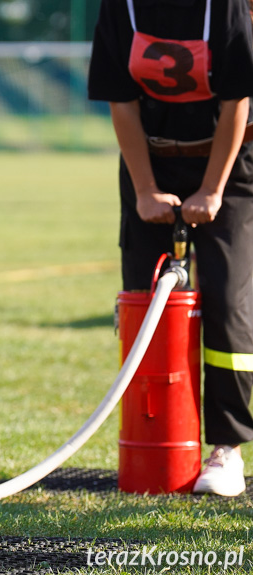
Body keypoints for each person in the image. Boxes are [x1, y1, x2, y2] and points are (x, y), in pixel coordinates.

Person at [88, 0, 253, 497]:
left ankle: (228, 447)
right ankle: (154, 439)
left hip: (229, 165)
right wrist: (143, 189)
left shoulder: (223, 7)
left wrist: (212, 191)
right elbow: (122, 101)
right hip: (149, 162)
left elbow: (238, 100)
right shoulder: (122, 7)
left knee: (228, 302)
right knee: (146, 301)